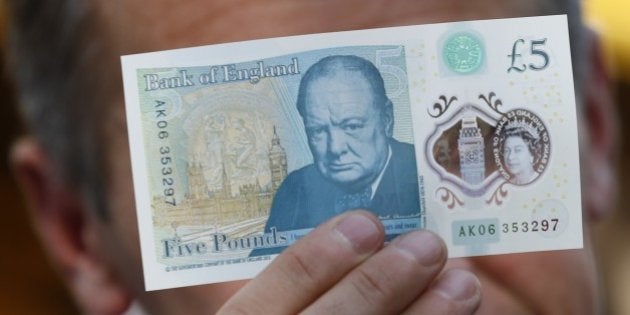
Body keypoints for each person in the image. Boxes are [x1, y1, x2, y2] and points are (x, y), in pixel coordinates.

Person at [5, 0, 618, 314]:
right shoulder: (289, 194)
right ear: (79, 234)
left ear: (591, 124)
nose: (414, 265)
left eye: (468, 135)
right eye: (318, 130)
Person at [255, 55, 420, 255]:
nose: (335, 148)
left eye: (351, 126)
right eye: (317, 131)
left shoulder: (426, 170)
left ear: (387, 119)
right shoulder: (294, 189)